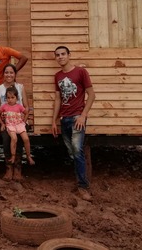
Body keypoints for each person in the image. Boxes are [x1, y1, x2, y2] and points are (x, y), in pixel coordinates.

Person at [52, 46, 95, 201]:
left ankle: (83, 187)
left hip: (77, 118)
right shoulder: (57, 76)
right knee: (72, 152)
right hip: (64, 119)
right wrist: (54, 121)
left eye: (63, 54)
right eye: (57, 55)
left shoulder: (81, 72)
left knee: (77, 151)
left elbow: (91, 95)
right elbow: (58, 99)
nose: (60, 57)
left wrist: (83, 116)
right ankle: (81, 176)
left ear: (69, 55)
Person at [0, 64, 30, 181]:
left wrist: (24, 121)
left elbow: (26, 106)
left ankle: (18, 167)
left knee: (20, 137)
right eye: (6, 72)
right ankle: (9, 167)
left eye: (11, 72)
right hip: (5, 121)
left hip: (19, 120)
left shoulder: (20, 87)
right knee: (6, 138)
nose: (9, 75)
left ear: (15, 74)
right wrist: (2, 123)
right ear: (3, 74)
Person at [0, 86, 35, 166]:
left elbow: (26, 112)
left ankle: (29, 156)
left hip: (19, 124)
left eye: (12, 97)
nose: (10, 99)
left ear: (16, 97)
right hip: (10, 125)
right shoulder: (4, 106)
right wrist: (2, 123)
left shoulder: (19, 106)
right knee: (14, 138)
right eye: (8, 98)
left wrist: (24, 122)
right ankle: (13, 156)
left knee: (26, 139)